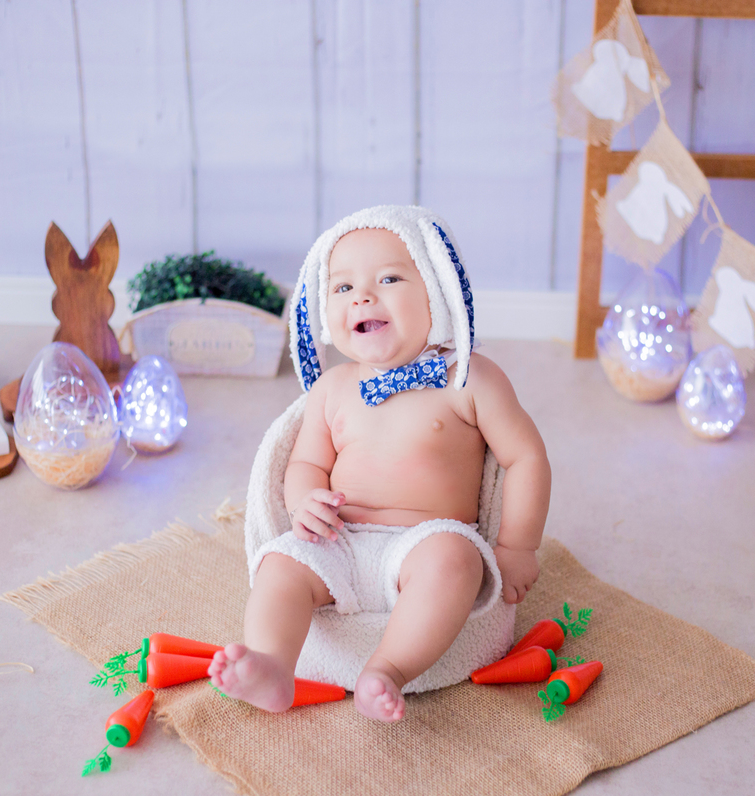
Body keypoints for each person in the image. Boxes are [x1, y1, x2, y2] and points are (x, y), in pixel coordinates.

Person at [209, 206, 550, 722]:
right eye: (342, 288)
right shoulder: (333, 388)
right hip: (339, 541)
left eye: (389, 278)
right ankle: (273, 665)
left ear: (435, 289)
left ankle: (387, 669)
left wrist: (517, 546)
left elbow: (525, 456)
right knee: (280, 563)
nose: (363, 297)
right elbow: (303, 463)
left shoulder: (466, 379)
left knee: (455, 563)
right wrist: (305, 503)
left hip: (425, 540)